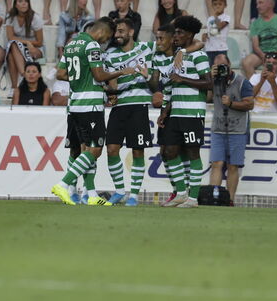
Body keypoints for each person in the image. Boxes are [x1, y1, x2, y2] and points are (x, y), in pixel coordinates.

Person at [51, 18, 137, 206]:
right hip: (90, 105)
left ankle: (90, 195)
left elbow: (60, 74)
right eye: (108, 37)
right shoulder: (92, 46)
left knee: (85, 149)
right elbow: (99, 75)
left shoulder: (71, 44)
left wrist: (82, 79)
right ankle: (63, 184)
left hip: (75, 104)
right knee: (95, 149)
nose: (106, 41)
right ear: (104, 31)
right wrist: (122, 72)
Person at [158, 15, 211, 207]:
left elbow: (209, 83)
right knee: (169, 151)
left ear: (190, 34)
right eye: (175, 32)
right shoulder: (178, 56)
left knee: (192, 153)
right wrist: (165, 111)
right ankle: (181, 193)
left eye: (179, 32)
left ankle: (193, 198)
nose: (175, 36)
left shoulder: (199, 56)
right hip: (176, 113)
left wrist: (184, 79)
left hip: (193, 113)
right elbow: (173, 86)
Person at [102, 17, 154, 206]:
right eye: (116, 31)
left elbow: (170, 45)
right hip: (119, 107)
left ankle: (133, 195)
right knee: (111, 149)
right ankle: (119, 191)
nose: (117, 35)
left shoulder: (147, 48)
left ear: (131, 32)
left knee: (138, 151)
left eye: (121, 31)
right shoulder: (110, 56)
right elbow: (111, 84)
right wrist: (111, 93)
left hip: (139, 106)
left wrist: (181, 53)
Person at [208, 52, 253, 202]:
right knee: (216, 163)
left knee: (233, 166)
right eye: (217, 66)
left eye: (223, 65)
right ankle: (214, 198)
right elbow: (206, 97)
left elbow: (250, 104)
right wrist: (209, 78)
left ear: (230, 65)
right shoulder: (212, 80)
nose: (221, 69)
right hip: (218, 129)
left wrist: (232, 104)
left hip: (238, 130)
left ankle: (230, 200)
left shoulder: (242, 82)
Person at [243, 0, 277, 78]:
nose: (257, 6)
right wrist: (265, 57)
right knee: (246, 62)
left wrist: (274, 57)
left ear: (270, 4)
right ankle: (256, 85)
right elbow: (255, 46)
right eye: (257, 4)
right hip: (261, 54)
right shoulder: (255, 23)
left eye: (260, 3)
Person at [5, 0, 44, 89]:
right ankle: (16, 85)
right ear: (15, 5)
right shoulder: (10, 17)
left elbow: (40, 42)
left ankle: (19, 82)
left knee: (13, 48)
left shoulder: (35, 18)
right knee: (12, 48)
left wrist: (29, 44)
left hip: (35, 48)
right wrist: (26, 42)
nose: (24, 3)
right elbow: (10, 38)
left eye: (26, 1)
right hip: (20, 47)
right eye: (20, 1)